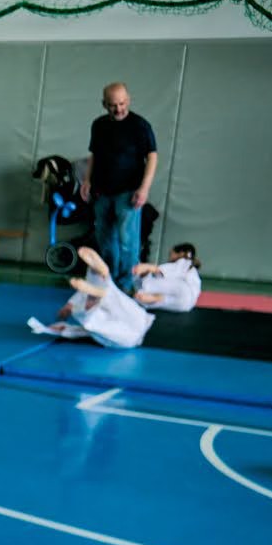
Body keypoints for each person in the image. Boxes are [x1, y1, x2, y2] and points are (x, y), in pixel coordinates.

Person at [80, 82, 157, 293]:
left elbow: (152, 157)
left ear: (128, 100)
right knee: (106, 241)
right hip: (102, 192)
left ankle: (127, 286)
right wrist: (86, 180)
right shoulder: (98, 125)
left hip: (129, 192)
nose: (118, 109)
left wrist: (144, 187)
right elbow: (94, 155)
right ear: (104, 104)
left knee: (127, 241)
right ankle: (109, 282)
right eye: (113, 105)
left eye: (122, 103)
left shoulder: (140, 126)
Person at [26, 245, 155, 348]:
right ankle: (99, 284)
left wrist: (61, 328)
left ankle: (98, 287)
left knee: (96, 314)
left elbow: (80, 330)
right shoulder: (85, 309)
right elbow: (79, 330)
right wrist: (63, 329)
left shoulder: (92, 305)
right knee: (96, 313)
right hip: (133, 327)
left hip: (131, 330)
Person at [133, 243, 201, 311]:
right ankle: (152, 298)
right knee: (164, 299)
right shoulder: (191, 271)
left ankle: (144, 293)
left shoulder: (186, 262)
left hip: (184, 291)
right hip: (187, 305)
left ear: (181, 253)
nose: (169, 257)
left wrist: (148, 267)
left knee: (149, 281)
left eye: (170, 254)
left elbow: (161, 271)